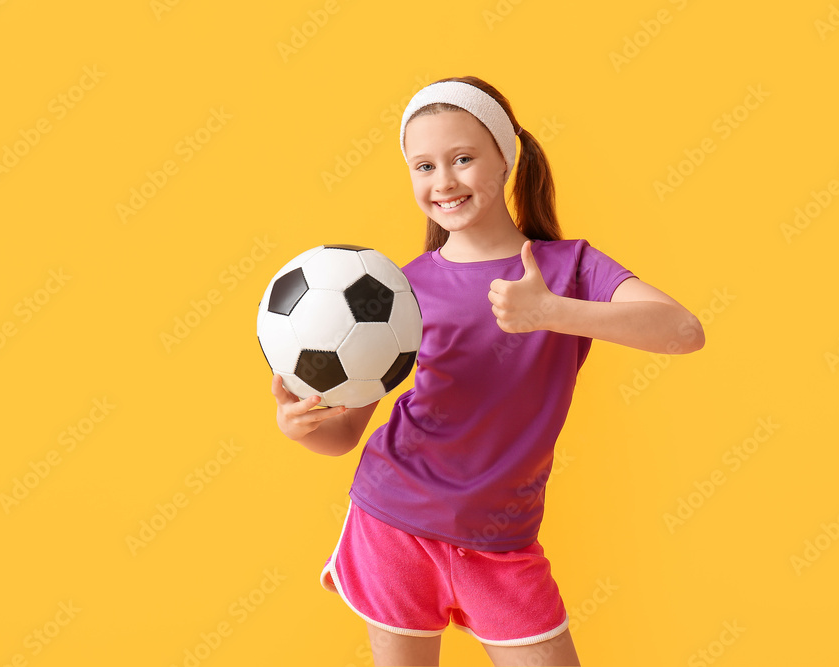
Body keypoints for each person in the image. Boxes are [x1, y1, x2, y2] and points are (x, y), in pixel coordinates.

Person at [271, 76, 705, 667]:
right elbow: (344, 435)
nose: (443, 181)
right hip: (395, 521)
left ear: (505, 159)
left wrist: (551, 311)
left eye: (463, 158)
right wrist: (302, 426)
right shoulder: (399, 289)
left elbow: (683, 331)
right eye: (423, 166)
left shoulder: (568, 267)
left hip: (503, 543)